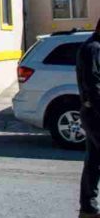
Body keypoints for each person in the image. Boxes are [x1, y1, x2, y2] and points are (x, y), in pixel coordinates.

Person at [77, 19, 100, 218]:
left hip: (93, 112)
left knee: (93, 161)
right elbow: (93, 85)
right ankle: (88, 206)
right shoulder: (93, 49)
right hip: (95, 113)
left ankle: (88, 207)